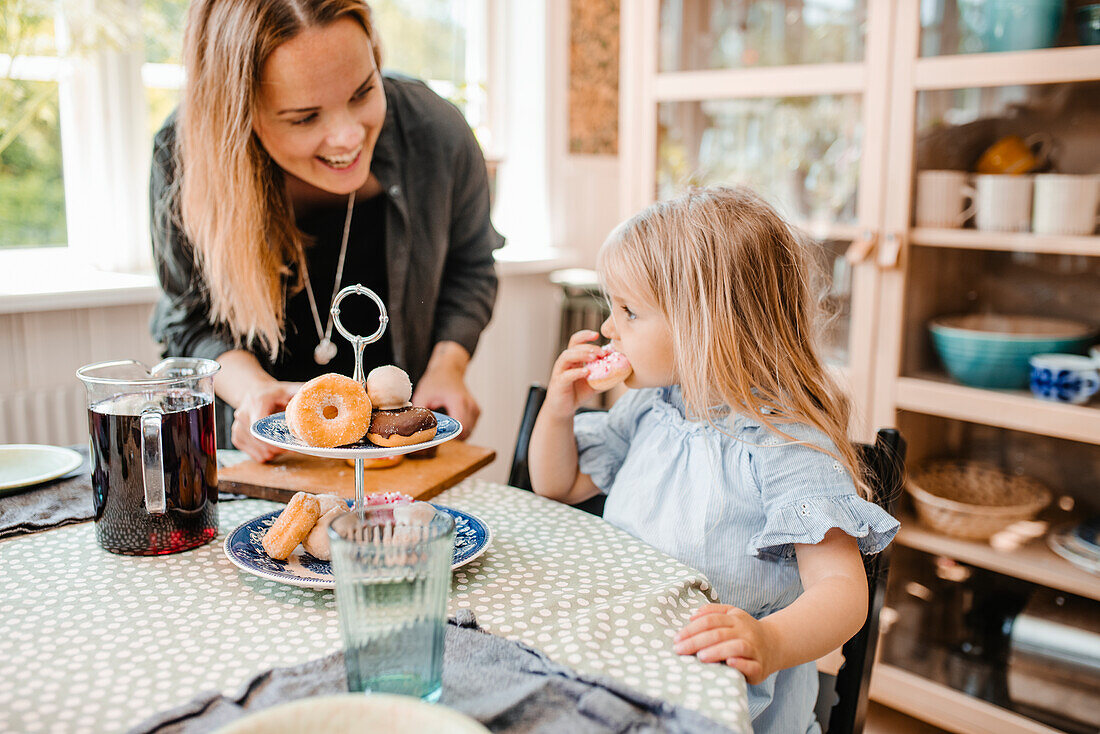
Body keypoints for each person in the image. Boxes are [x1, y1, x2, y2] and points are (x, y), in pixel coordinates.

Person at [528, 186, 900, 734]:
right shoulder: (651, 407)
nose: (609, 328)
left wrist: (769, 641)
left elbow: (843, 595)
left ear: (705, 325)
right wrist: (558, 413)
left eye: (629, 311)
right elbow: (558, 487)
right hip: (628, 668)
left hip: (723, 703)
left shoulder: (787, 447)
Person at [150, 0, 502, 461]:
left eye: (362, 93)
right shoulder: (185, 157)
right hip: (258, 458)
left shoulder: (437, 133)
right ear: (239, 114)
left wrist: (447, 366)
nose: (348, 136)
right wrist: (256, 390)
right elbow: (191, 319)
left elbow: (470, 267)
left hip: (392, 461)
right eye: (304, 117)